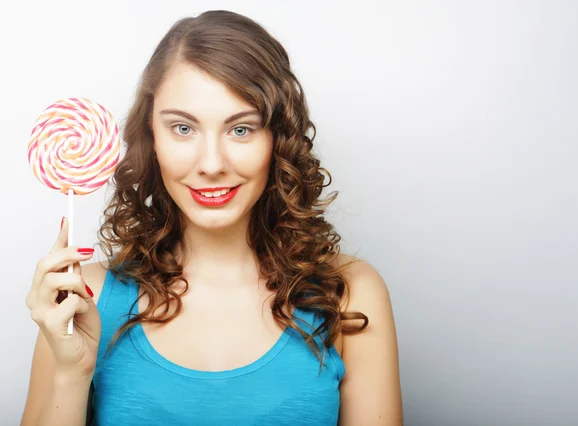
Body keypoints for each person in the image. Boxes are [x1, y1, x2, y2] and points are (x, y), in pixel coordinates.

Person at [21, 10, 402, 426]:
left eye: (241, 129)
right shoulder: (82, 299)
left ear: (278, 138)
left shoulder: (349, 295)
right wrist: (70, 372)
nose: (211, 163)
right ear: (151, 137)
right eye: (183, 129)